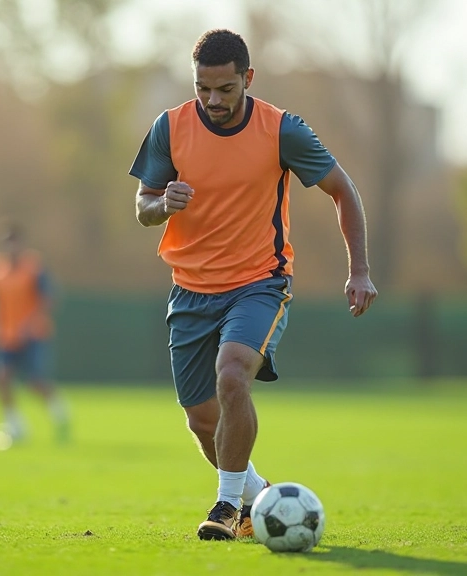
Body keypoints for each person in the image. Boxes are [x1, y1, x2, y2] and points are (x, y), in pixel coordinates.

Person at [128, 29, 377, 541]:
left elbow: (342, 190)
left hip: (258, 283)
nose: (213, 100)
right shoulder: (169, 128)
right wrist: (162, 205)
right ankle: (255, 496)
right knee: (202, 421)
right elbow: (142, 206)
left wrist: (359, 269)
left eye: (225, 89)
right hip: (190, 290)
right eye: (203, 89)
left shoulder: (280, 130)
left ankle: (223, 505)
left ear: (248, 78)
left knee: (233, 373)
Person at [0, 220, 69, 443]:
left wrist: (30, 323)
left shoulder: (34, 267)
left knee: (35, 381)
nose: (10, 247)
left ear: (21, 243)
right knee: (0, 376)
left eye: (14, 241)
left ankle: (59, 411)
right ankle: (15, 425)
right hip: (6, 335)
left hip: (33, 334)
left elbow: (49, 299)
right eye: (6, 242)